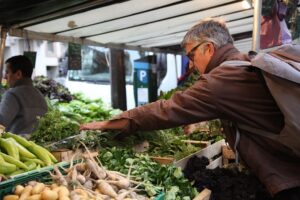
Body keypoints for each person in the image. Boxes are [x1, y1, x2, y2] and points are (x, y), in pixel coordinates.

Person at [80, 19, 300, 199]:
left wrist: (116, 122)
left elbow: (167, 109)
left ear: (209, 47)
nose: (191, 65)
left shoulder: (222, 79)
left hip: (288, 178)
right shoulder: (245, 62)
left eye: (191, 56)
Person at [0, 55, 47, 136]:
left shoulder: (12, 94)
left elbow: (1, 122)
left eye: (7, 72)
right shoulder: (39, 95)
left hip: (16, 145)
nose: (5, 77)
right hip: (35, 144)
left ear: (18, 74)